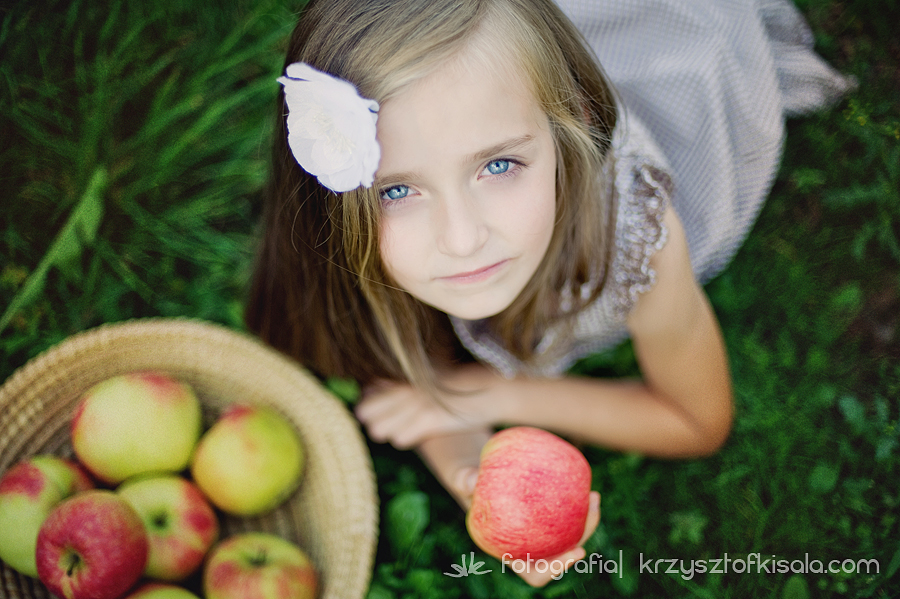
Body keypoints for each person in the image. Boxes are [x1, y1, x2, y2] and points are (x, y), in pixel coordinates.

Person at [245, 0, 852, 586]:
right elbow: (415, 376)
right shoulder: (354, 242)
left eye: (500, 165)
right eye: (396, 191)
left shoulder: (636, 237)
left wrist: (495, 393)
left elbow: (695, 420)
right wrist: (472, 477)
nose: (461, 239)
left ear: (577, 122)